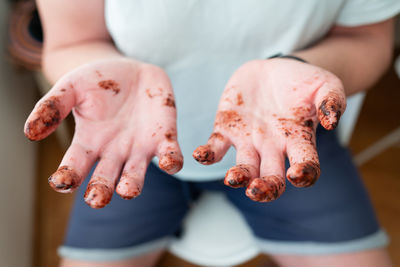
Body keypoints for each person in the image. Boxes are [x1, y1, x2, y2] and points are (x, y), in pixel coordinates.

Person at [25, 0, 400, 266]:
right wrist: (107, 72)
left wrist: (301, 66)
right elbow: (70, 41)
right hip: (132, 149)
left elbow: (367, 39)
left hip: (286, 140)